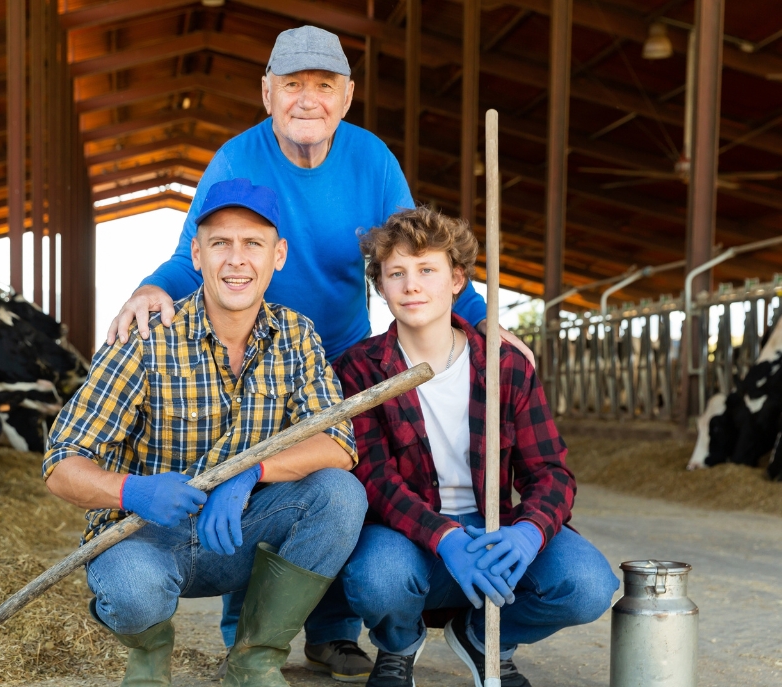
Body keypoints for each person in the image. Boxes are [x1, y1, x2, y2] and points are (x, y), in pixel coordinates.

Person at [105, 25, 533, 681]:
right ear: (267, 91)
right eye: (294, 84)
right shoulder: (237, 157)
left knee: (337, 487)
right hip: (253, 360)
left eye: (324, 85)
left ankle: (331, 632)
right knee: (242, 486)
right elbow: (196, 251)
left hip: (339, 360)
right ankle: (247, 639)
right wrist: (150, 288)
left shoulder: (371, 161)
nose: (308, 99)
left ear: (348, 95)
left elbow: (408, 249)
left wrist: (483, 320)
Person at [44, 178, 367, 687]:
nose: (236, 260)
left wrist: (251, 473)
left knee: (340, 496)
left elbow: (339, 445)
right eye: (221, 243)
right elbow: (61, 463)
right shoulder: (146, 337)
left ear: (278, 255)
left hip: (238, 532)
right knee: (131, 588)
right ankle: (148, 653)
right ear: (196, 254)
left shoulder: (298, 336)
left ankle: (254, 659)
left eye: (253, 244)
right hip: (145, 537)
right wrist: (134, 490)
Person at [332, 207, 619, 687]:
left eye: (427, 270)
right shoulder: (360, 370)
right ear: (380, 287)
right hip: (409, 536)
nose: (411, 286)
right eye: (396, 273)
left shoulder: (505, 366)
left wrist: (528, 532)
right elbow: (374, 480)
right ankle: (399, 646)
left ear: (457, 279)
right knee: (376, 577)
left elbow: (550, 471)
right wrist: (444, 536)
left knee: (588, 585)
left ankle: (486, 639)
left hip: (494, 530)